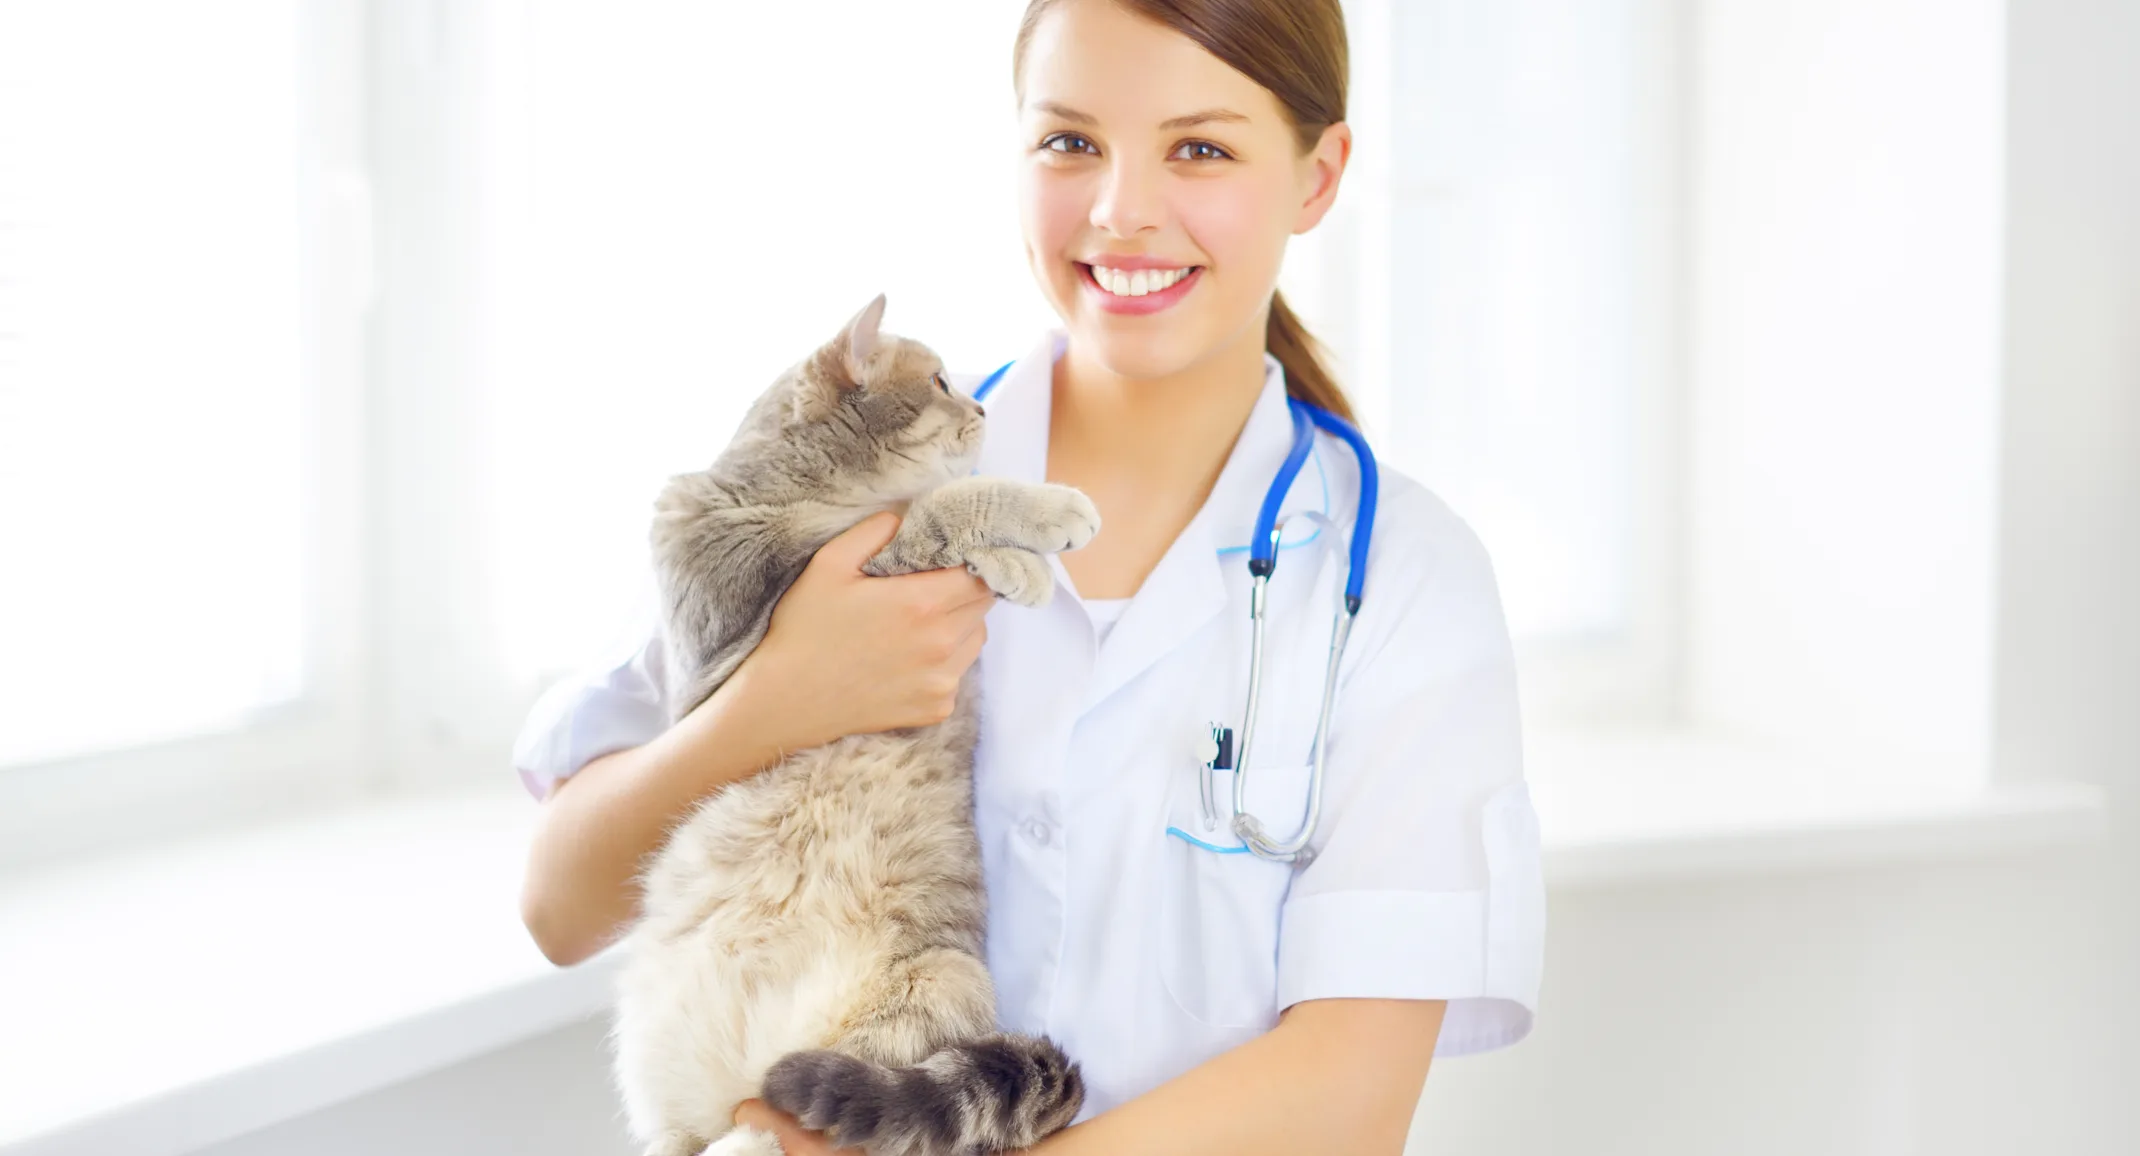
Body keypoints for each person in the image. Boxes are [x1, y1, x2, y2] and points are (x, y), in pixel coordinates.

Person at [513, 1, 1545, 1151]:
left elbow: (1345, 1102)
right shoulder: (870, 463)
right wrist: (780, 698)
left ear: (1317, 176)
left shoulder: (1403, 580)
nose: (1122, 211)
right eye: (1070, 143)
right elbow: (560, 901)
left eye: (1198, 147)